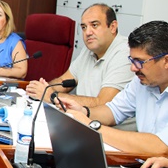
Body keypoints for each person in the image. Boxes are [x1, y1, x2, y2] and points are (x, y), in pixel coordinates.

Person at [60, 21, 168, 155]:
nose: (133, 68)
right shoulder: (141, 82)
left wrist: (91, 125)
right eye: (132, 60)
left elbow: (161, 147)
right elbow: (113, 111)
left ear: (166, 61)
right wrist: (84, 112)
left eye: (140, 62)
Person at [26, 4, 133, 107]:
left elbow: (103, 104)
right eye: (84, 27)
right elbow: (64, 80)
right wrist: (43, 88)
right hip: (80, 115)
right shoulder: (89, 49)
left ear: (113, 27)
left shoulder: (125, 53)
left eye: (94, 25)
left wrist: (52, 96)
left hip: (100, 119)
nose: (88, 32)